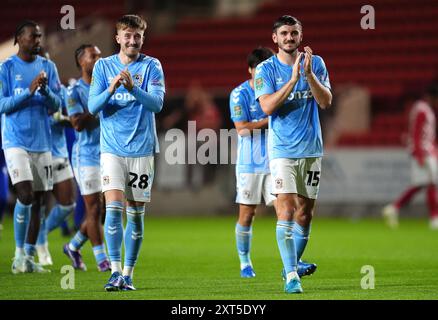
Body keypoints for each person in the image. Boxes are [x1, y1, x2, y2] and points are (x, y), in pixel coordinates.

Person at [254, 15, 332, 293]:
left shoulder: (317, 63)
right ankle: (291, 277)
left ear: (301, 36)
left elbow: (325, 102)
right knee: (286, 210)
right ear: (275, 38)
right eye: (284, 33)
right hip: (282, 152)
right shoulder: (265, 69)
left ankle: (293, 263)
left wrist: (308, 75)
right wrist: (293, 80)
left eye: (294, 33)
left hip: (311, 149)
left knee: (305, 215)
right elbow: (267, 107)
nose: (289, 37)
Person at [89, 14, 165, 291]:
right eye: (128, 36)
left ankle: (129, 274)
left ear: (142, 38)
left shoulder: (152, 66)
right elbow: (93, 107)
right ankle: (115, 271)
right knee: (113, 209)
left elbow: (156, 104)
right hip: (112, 150)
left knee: (135, 214)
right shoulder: (103, 67)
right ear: (118, 38)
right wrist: (111, 88)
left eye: (138, 36)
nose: (133, 41)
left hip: (142, 150)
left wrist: (133, 89)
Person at [0, 20, 62, 273]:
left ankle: (27, 257)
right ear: (18, 39)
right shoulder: (6, 68)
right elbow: (2, 105)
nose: (37, 41)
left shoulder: (49, 67)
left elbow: (57, 105)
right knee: (24, 195)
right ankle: (17, 255)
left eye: (39, 36)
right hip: (15, 141)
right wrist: (29, 91)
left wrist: (45, 92)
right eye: (32, 37)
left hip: (42, 142)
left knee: (38, 201)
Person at [64, 44, 110, 272]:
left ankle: (73, 246)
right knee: (93, 210)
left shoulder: (106, 86)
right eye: (94, 56)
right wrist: (99, 104)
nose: (99, 60)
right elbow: (77, 124)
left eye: (101, 56)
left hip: (109, 154)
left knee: (106, 210)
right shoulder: (74, 91)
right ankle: (103, 261)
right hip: (87, 156)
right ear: (82, 61)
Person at [229, 47, 275, 278]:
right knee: (247, 214)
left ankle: (293, 263)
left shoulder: (277, 91)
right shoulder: (240, 94)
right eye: (259, 69)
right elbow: (242, 129)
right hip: (250, 163)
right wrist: (269, 121)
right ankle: (245, 262)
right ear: (250, 70)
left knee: (287, 209)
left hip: (277, 161)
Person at [35, 50, 77, 267]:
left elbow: (65, 109)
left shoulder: (58, 86)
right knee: (39, 203)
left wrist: (66, 119)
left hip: (59, 151)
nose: (47, 66)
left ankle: (39, 232)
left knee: (68, 204)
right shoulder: (26, 87)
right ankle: (40, 249)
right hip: (37, 151)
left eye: (49, 61)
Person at [382, 82, 438, 230]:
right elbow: (417, 133)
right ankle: (434, 218)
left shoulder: (424, 109)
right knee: (431, 183)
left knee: (421, 184)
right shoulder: (422, 110)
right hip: (423, 151)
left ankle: (394, 208)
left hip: (426, 150)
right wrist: (420, 154)